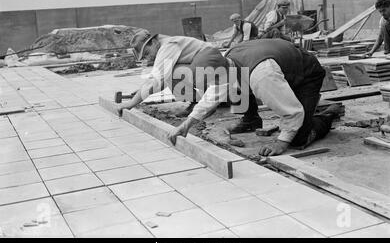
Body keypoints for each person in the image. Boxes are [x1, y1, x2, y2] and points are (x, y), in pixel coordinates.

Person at [168, 38, 342, 156]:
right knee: (235, 90)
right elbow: (212, 96)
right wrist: (186, 125)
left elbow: (292, 112)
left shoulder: (262, 76)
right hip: (281, 66)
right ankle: (254, 119)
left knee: (297, 138)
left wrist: (281, 142)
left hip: (305, 74)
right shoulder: (225, 63)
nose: (213, 85)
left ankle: (328, 115)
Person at [115, 30, 227, 118]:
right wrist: (141, 92)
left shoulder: (167, 47)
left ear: (153, 42)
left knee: (173, 75)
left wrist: (131, 103)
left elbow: (156, 81)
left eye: (147, 53)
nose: (148, 58)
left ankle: (210, 102)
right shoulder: (166, 44)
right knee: (171, 75)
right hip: (211, 65)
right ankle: (203, 101)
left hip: (211, 62)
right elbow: (160, 82)